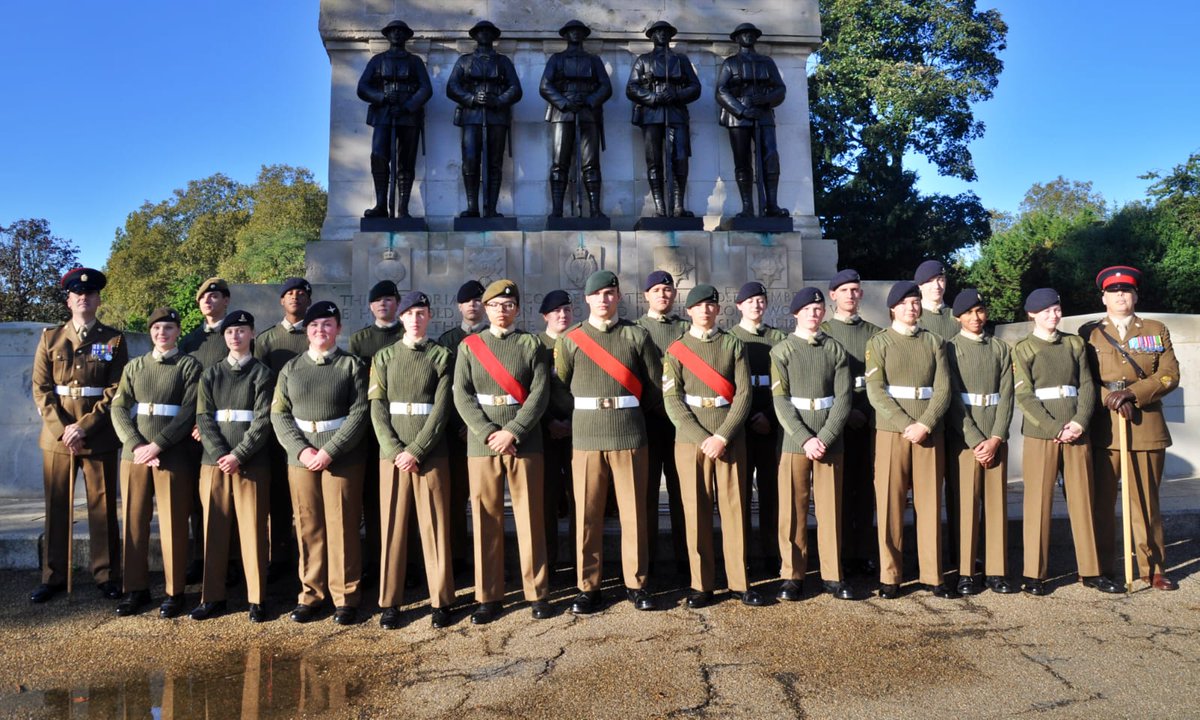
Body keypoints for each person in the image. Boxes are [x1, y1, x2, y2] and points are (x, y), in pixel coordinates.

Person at [554, 270, 663, 614]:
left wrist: (629, 413)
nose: (603, 299)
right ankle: (588, 586)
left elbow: (656, 385)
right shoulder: (571, 340)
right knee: (587, 515)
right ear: (586, 299)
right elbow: (560, 388)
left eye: (609, 293)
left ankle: (637, 582)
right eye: (597, 294)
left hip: (629, 433)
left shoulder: (636, 335)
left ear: (618, 297)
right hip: (586, 437)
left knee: (634, 514)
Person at [1012, 288, 1121, 596]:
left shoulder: (1074, 343)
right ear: (1032, 314)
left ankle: (1092, 571)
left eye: (1057, 309)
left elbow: (1087, 385)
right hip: (1041, 433)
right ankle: (1034, 574)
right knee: (1037, 503)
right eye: (1046, 311)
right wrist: (1053, 428)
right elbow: (1024, 395)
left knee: (1083, 500)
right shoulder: (1023, 349)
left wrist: (1079, 422)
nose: (1054, 315)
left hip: (1076, 430)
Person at [454, 280, 552, 623]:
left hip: (524, 442)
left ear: (517, 309)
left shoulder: (531, 344)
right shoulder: (470, 346)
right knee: (485, 519)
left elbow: (540, 393)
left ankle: (536, 591)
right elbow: (462, 395)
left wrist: (513, 431)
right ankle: (488, 595)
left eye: (508, 305)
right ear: (485, 308)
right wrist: (488, 433)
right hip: (482, 443)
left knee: (530, 518)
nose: (501, 311)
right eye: (495, 305)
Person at [663, 284, 766, 607]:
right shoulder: (677, 349)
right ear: (690, 311)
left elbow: (744, 395)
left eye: (711, 305)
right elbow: (672, 399)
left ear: (719, 310)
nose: (706, 311)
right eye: (699, 306)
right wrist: (701, 438)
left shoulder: (732, 344)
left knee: (735, 509)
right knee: (696, 512)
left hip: (729, 437)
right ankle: (701, 584)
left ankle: (739, 581)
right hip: (691, 439)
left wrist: (722, 436)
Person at [30, 268, 127, 603]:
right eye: (77, 294)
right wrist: (63, 430)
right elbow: (41, 390)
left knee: (102, 508)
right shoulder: (50, 338)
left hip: (97, 435)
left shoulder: (113, 340)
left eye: (90, 294)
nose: (83, 298)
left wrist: (83, 427)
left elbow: (115, 390)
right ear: (69, 300)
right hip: (57, 439)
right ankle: (53, 576)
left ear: (98, 300)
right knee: (57, 507)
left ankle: (106, 574)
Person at [270, 301, 370, 625]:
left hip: (342, 458)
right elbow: (279, 413)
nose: (320, 331)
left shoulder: (351, 366)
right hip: (301, 458)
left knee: (343, 526)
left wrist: (331, 450)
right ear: (306, 332)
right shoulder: (291, 369)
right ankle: (311, 594)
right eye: (314, 326)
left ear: (338, 329)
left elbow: (359, 413)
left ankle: (345, 597)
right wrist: (301, 451)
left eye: (327, 325)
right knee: (308, 525)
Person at [1080, 266, 1179, 591]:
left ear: (1135, 295)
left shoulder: (1154, 329)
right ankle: (1100, 568)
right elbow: (1080, 379)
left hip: (1146, 424)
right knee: (1101, 502)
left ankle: (1153, 567)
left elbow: (1168, 374)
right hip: (1104, 430)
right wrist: (1111, 397)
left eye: (1127, 290)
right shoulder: (1089, 332)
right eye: (1114, 291)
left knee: (1146, 501)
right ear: (1103, 297)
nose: (1121, 295)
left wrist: (1133, 394)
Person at [370, 291, 457, 629]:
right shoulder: (384, 357)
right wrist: (394, 451)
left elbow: (441, 409)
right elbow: (377, 408)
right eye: (410, 313)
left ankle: (441, 599)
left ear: (429, 317)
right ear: (401, 318)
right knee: (392, 528)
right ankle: (390, 602)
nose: (416, 319)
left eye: (422, 313)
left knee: (435, 526)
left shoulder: (442, 355)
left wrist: (417, 450)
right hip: (391, 454)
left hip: (430, 452)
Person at [865, 281, 956, 599]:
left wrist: (926, 424)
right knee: (889, 503)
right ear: (893, 308)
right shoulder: (879, 342)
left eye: (916, 302)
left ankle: (933, 575)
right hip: (893, 431)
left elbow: (943, 387)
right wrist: (907, 425)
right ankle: (890, 575)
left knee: (930, 503)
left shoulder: (934, 341)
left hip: (929, 431)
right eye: (904, 303)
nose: (912, 308)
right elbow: (875, 390)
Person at [110, 308, 203, 617]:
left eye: (168, 327)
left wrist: (158, 445)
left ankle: (175, 591)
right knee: (134, 523)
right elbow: (119, 407)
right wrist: (136, 444)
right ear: (150, 332)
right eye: (157, 328)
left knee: (174, 522)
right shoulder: (134, 367)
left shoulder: (189, 366)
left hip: (172, 454)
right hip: (134, 455)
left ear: (178, 332)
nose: (162, 333)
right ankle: (134, 589)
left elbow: (189, 410)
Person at [191, 310, 274, 622]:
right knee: (214, 529)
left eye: (242, 331)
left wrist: (239, 455)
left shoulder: (262, 374)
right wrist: (221, 454)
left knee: (253, 531)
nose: (236, 336)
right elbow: (203, 417)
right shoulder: (211, 375)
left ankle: (257, 598)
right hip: (214, 463)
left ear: (251, 334)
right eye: (230, 332)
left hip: (251, 462)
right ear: (224, 337)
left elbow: (263, 420)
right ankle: (212, 597)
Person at [771, 287, 853, 601]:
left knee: (830, 510)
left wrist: (826, 437)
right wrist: (805, 438)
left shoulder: (835, 349)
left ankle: (833, 574)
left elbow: (844, 399)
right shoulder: (781, 351)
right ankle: (792, 575)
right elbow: (780, 400)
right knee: (792, 511)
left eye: (819, 309)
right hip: (795, 442)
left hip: (830, 440)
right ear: (796, 314)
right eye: (807, 309)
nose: (814, 314)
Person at [944, 290, 1017, 595]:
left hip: (995, 434)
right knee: (965, 505)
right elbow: (951, 400)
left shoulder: (1000, 348)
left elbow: (1007, 395)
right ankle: (965, 571)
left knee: (996, 505)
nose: (976, 318)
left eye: (980, 311)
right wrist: (976, 441)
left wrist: (997, 437)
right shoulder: (949, 349)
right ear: (958, 317)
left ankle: (996, 570)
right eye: (969, 312)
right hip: (965, 437)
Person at [819, 269, 881, 575]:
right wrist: (845, 413)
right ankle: (839, 553)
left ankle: (863, 551)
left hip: (868, 421)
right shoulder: (825, 332)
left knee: (865, 490)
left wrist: (867, 413)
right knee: (838, 492)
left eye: (855, 290)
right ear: (833, 295)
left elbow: (881, 380)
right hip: (837, 423)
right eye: (844, 290)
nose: (851, 295)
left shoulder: (875, 333)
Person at [255, 277, 313, 582]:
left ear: (308, 300)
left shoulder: (315, 335)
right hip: (277, 429)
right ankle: (278, 555)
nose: (295, 298)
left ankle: (309, 557)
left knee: (306, 499)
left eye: (301, 294)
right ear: (281, 300)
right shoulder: (266, 340)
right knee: (278, 496)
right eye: (289, 294)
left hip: (309, 432)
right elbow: (260, 386)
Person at [349, 280, 405, 585]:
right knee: (373, 499)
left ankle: (407, 562)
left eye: (388, 299)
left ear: (397, 304)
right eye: (378, 300)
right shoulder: (360, 340)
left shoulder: (404, 334)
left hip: (403, 427)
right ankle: (374, 559)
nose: (383, 304)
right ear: (371, 307)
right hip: (371, 431)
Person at [179, 276, 233, 587]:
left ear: (226, 301)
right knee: (198, 501)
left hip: (224, 431)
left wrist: (212, 425)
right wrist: (194, 422)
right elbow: (185, 388)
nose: (209, 302)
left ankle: (233, 559)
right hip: (193, 434)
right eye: (204, 298)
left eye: (216, 297)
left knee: (231, 499)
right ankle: (200, 557)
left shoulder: (237, 335)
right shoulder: (189, 342)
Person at [635, 270, 690, 575]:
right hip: (647, 421)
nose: (662, 295)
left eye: (667, 290)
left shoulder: (686, 328)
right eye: (656, 289)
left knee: (685, 494)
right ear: (646, 295)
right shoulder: (636, 329)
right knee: (646, 497)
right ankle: (648, 561)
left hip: (682, 423)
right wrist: (656, 405)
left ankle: (686, 560)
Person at [729, 281, 787, 572]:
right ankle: (743, 556)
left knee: (772, 494)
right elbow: (730, 387)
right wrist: (748, 416)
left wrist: (769, 417)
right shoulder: (730, 339)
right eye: (750, 300)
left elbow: (786, 388)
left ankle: (771, 553)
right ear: (739, 306)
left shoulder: (779, 338)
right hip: (741, 427)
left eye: (760, 300)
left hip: (771, 426)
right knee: (738, 496)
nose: (756, 305)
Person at [437, 279, 489, 577]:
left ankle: (487, 562)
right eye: (467, 301)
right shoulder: (448, 340)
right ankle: (457, 558)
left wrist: (480, 427)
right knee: (455, 501)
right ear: (459, 306)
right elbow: (447, 389)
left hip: (487, 432)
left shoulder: (494, 339)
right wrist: (462, 426)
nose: (473, 305)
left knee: (487, 499)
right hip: (457, 433)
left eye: (478, 300)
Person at [446, 20, 522, 218]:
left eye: (489, 32)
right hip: (471, 116)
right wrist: (471, 98)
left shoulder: (503, 62)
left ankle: (491, 208)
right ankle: (472, 207)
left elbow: (515, 89)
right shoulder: (464, 61)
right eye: (481, 32)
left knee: (494, 163)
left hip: (496, 116)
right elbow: (452, 87)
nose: (485, 35)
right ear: (475, 35)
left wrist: (497, 100)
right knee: (470, 161)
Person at [357, 20, 432, 219]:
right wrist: (382, 97)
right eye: (393, 31)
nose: (397, 34)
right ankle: (381, 205)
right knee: (379, 156)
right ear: (387, 35)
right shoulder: (377, 60)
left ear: (407, 36)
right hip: (383, 114)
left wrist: (407, 105)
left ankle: (403, 209)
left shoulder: (415, 61)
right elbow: (362, 87)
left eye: (401, 31)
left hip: (408, 116)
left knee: (406, 162)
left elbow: (426, 89)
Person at [626, 20, 702, 218]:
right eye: (658, 32)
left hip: (676, 113)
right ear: (651, 36)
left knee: (680, 158)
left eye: (666, 32)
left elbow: (695, 87)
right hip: (652, 114)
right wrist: (653, 97)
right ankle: (660, 206)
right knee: (654, 161)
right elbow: (631, 88)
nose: (662, 35)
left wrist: (677, 95)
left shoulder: (681, 60)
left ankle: (678, 206)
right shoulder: (643, 60)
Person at [540, 20, 612, 218]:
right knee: (559, 163)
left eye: (579, 31)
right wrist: (564, 103)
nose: (575, 34)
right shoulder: (556, 59)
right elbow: (545, 86)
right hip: (562, 114)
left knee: (591, 163)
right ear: (565, 35)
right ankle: (557, 210)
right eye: (571, 31)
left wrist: (589, 101)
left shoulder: (594, 60)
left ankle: (595, 210)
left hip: (588, 113)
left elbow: (605, 87)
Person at [715, 23, 788, 218]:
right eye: (743, 34)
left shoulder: (767, 62)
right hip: (738, 117)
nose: (747, 37)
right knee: (742, 160)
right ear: (737, 38)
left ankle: (771, 204)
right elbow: (721, 91)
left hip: (763, 113)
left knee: (770, 157)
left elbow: (780, 88)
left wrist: (766, 99)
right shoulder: (730, 63)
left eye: (750, 34)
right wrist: (741, 110)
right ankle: (747, 207)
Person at [538, 290, 575, 569]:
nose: (562, 316)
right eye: (556, 312)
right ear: (545, 316)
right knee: (546, 499)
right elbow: (531, 391)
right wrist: (550, 421)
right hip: (544, 431)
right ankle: (548, 561)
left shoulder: (580, 342)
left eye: (567, 310)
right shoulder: (535, 345)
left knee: (580, 497)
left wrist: (572, 422)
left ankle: (579, 560)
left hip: (579, 429)